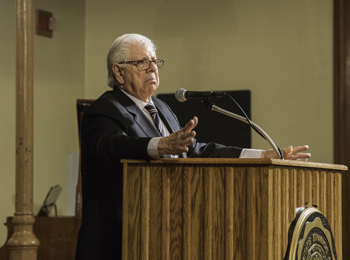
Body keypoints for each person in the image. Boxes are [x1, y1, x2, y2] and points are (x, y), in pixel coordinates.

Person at [75, 33, 310, 260]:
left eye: (155, 62)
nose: (152, 68)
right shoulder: (104, 110)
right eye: (142, 62)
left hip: (172, 231)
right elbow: (113, 147)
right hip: (122, 236)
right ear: (118, 71)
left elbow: (197, 151)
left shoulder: (162, 108)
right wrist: (162, 145)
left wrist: (264, 155)